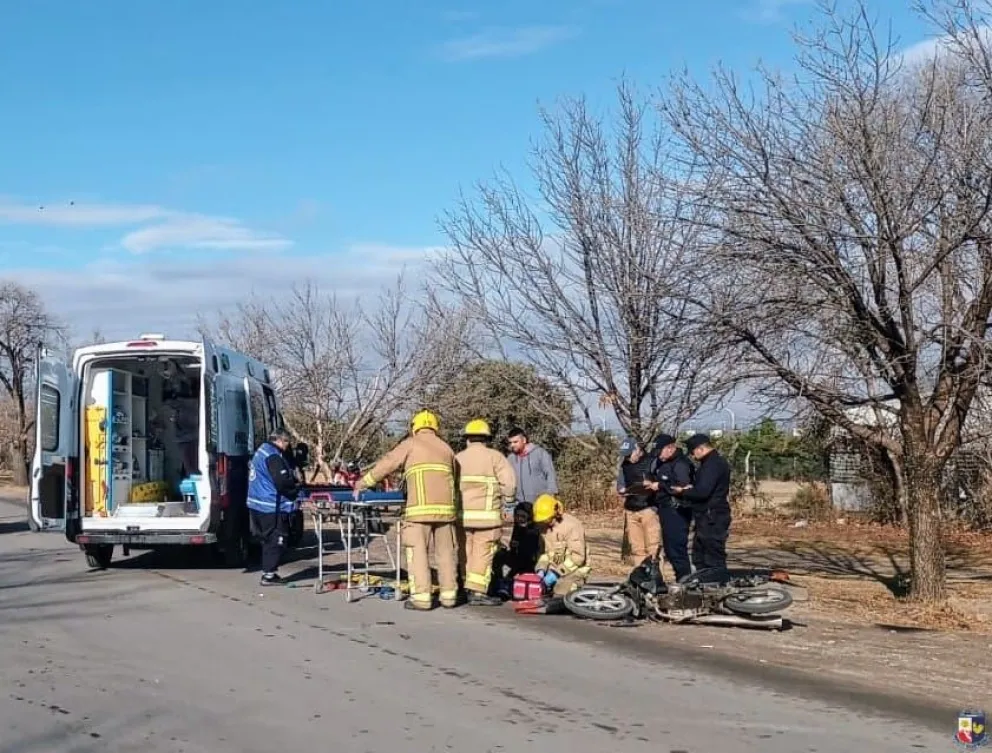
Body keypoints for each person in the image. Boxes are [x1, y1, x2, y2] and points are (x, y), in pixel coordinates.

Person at [354, 410, 459, 610]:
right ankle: (449, 596)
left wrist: (363, 482)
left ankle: (421, 598)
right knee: (445, 554)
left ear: (414, 427)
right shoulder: (447, 449)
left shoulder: (411, 444)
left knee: (417, 552)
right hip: (446, 512)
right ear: (435, 427)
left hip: (419, 510)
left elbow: (388, 464)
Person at [455, 419, 517, 606]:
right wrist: (508, 505)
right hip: (487, 519)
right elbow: (510, 484)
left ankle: (466, 586)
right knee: (483, 553)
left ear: (467, 439)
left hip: (462, 518)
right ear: (487, 439)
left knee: (465, 552)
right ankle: (478, 592)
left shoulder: (458, 458)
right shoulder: (495, 457)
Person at [246, 429, 302, 586]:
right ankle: (268, 575)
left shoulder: (261, 450)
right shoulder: (273, 456)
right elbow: (282, 482)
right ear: (281, 441)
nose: (287, 447)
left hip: (256, 503)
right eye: (287, 443)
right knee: (276, 539)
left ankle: (269, 571)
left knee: (266, 539)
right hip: (270, 505)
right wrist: (295, 489)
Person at [671, 433, 732, 575]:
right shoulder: (712, 463)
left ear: (700, 449)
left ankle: (717, 586)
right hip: (708, 515)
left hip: (712, 517)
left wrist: (683, 492)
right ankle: (707, 585)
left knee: (711, 557)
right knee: (700, 556)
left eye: (692, 451)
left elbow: (703, 492)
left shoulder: (712, 465)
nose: (692, 455)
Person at [646, 433, 695, 581]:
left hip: (677, 510)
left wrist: (660, 485)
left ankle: (685, 580)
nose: (658, 456)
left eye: (660, 451)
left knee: (676, 548)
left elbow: (682, 487)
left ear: (670, 448)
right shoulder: (662, 463)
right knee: (670, 549)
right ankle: (681, 578)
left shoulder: (681, 464)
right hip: (666, 510)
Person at [532, 494, 591, 597]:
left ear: (555, 513)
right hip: (554, 568)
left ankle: (574, 589)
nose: (544, 523)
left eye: (547, 520)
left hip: (575, 569)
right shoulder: (543, 528)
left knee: (560, 594)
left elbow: (578, 558)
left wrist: (555, 574)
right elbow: (544, 554)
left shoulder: (572, 525)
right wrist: (541, 570)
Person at [615, 437, 661, 565]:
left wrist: (652, 484)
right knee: (637, 549)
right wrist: (621, 489)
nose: (629, 458)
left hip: (649, 508)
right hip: (631, 509)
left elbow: (661, 483)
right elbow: (620, 484)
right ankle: (640, 578)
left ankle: (655, 578)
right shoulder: (624, 465)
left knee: (653, 548)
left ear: (637, 449)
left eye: (630, 454)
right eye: (626, 455)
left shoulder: (652, 462)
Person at [491, 502, 542, 594]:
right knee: (500, 555)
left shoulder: (534, 529)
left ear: (529, 517)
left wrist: (520, 544)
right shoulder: (517, 526)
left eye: (523, 516)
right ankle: (500, 581)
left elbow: (532, 551)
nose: (519, 519)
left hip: (531, 562)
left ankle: (509, 582)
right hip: (517, 557)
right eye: (517, 516)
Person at [506, 428, 558, 510]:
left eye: (515, 442)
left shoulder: (540, 453)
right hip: (519, 505)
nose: (512, 445)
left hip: (540, 504)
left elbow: (550, 474)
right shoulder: (510, 458)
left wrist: (551, 494)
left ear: (524, 440)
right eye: (510, 442)